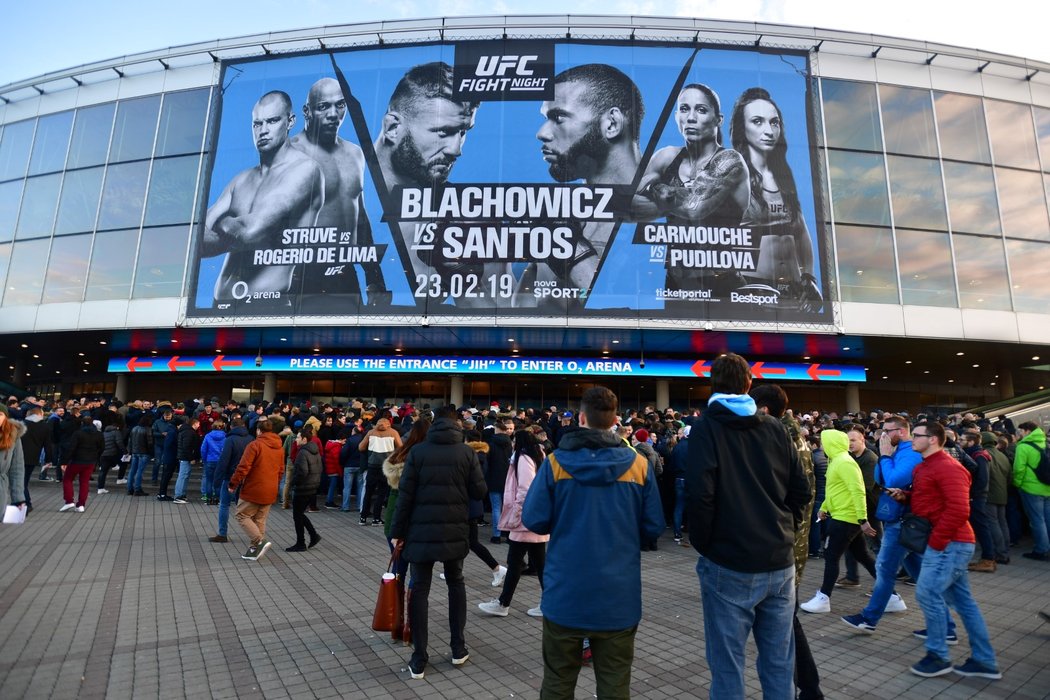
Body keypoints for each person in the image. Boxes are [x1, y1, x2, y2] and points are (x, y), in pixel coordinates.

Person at [521, 386, 663, 698]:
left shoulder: (556, 463)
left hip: (564, 595)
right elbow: (653, 526)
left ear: (581, 417)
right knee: (615, 686)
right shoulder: (639, 465)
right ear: (615, 421)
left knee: (557, 683)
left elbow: (533, 520)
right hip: (618, 598)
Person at [685, 353, 810, 699]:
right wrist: (785, 527)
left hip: (729, 562)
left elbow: (700, 494)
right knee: (779, 661)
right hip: (779, 561)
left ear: (712, 384)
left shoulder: (707, 426)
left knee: (727, 664)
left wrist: (706, 544)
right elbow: (802, 490)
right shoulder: (774, 428)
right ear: (749, 385)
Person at [373, 62, 509, 308]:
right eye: (443, 132)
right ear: (393, 128)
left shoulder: (471, 215)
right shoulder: (339, 191)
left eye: (463, 132)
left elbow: (499, 322)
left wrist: (463, 277)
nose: (456, 150)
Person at [514, 64, 644, 310]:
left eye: (558, 117)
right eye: (545, 119)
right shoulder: (558, 217)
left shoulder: (667, 214)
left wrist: (573, 252)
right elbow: (523, 317)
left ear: (612, 124)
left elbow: (636, 313)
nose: (541, 133)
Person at [889, 421, 1002, 680]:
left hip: (950, 543)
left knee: (928, 592)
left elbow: (960, 510)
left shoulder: (949, 467)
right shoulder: (925, 466)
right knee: (964, 602)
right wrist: (905, 496)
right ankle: (984, 660)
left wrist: (936, 542)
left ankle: (938, 655)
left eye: (916, 435)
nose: (911, 439)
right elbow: (930, 499)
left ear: (933, 439)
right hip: (948, 542)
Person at [201, 90, 324, 311]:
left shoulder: (305, 170)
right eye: (257, 124)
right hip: (220, 305)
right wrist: (231, 227)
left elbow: (250, 232)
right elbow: (196, 242)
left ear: (290, 121)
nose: (263, 130)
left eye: (273, 121)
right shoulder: (242, 179)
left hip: (268, 305)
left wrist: (224, 223)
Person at [389, 407, 487, 680]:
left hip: (420, 531)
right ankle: (458, 648)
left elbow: (405, 496)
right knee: (456, 582)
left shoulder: (418, 452)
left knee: (419, 588)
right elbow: (480, 491)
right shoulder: (466, 452)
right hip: (454, 529)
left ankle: (419, 657)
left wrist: (398, 532)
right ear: (456, 425)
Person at [634, 83, 750, 307]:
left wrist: (654, 189)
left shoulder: (729, 160)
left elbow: (693, 207)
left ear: (719, 119)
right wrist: (658, 194)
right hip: (676, 283)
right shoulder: (666, 156)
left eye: (701, 110)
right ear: (677, 115)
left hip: (721, 284)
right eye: (684, 109)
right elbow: (633, 202)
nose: (691, 117)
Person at [288, 77, 389, 311]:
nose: (334, 114)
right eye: (324, 106)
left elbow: (359, 217)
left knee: (352, 344)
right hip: (300, 274)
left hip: (344, 270)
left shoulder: (354, 154)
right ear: (307, 111)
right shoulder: (289, 152)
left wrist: (374, 277)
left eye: (340, 105)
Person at [728, 87, 820, 311]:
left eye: (774, 122)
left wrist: (809, 277)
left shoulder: (784, 176)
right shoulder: (734, 177)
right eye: (757, 121)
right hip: (752, 288)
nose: (768, 130)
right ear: (743, 128)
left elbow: (800, 230)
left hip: (794, 288)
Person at [799, 429, 878, 614]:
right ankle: (890, 594)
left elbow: (858, 491)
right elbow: (836, 490)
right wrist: (825, 507)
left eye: (825, 443)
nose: (823, 446)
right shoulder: (837, 460)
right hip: (844, 517)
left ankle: (823, 597)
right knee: (863, 556)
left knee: (831, 557)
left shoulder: (843, 462)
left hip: (845, 519)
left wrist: (862, 519)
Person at [478, 430, 549, 619]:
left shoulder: (523, 457)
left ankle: (503, 603)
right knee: (538, 564)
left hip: (524, 519)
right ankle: (548, 603)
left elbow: (525, 489)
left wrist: (517, 515)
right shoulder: (538, 455)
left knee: (516, 562)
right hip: (535, 518)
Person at [228, 418, 285, 561]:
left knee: (241, 515)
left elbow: (243, 467)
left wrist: (233, 484)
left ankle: (259, 541)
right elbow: (280, 470)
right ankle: (254, 549)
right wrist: (275, 484)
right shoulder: (279, 447)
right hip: (270, 488)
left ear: (259, 430)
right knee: (260, 519)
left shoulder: (255, 445)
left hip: (254, 488)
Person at [210, 417, 253, 543]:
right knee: (246, 507)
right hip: (246, 477)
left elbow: (223, 461)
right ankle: (254, 533)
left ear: (231, 427)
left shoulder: (230, 440)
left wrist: (216, 481)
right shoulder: (251, 439)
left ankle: (222, 533)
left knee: (224, 505)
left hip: (230, 477)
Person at [1012, 421, 1049, 561]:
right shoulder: (1045, 442)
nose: (1018, 434)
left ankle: (1041, 550)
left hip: (1031, 487)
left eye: (1020, 431)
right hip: (1047, 486)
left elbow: (1018, 469)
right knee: (1047, 518)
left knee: (1037, 520)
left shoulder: (1023, 446)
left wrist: (1018, 484)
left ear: (1027, 431)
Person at [358, 416, 402, 526]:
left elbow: (361, 448)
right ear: (389, 424)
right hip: (386, 466)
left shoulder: (371, 432)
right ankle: (376, 519)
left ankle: (363, 517)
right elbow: (401, 447)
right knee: (382, 493)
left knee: (368, 492)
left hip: (372, 465)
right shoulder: (393, 432)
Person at [286, 425, 322, 552]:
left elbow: (302, 472)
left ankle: (301, 543)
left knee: (297, 515)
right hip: (312, 486)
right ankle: (313, 535)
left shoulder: (303, 452)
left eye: (298, 438)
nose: (296, 440)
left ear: (305, 439)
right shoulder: (315, 450)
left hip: (303, 487)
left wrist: (293, 483)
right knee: (299, 514)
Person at [60, 416, 105, 512]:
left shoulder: (78, 433)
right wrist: (95, 457)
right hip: (90, 461)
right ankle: (81, 505)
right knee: (84, 482)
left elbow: (71, 448)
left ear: (82, 423)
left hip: (77, 460)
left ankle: (69, 501)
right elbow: (102, 448)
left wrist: (64, 461)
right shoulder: (99, 434)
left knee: (67, 479)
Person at [0, 404, 27, 517]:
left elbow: (17, 469)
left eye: (0, 414)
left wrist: (18, 498)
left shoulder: (13, 435)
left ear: (5, 416)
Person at [200, 419, 227, 505]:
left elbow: (203, 449)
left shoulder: (208, 436)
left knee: (209, 480)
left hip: (210, 460)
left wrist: (204, 459)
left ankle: (209, 499)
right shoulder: (225, 436)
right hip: (221, 461)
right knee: (219, 481)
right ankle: (218, 499)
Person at [126, 415, 152, 497]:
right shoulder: (147, 429)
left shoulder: (134, 428)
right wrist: (151, 452)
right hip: (144, 452)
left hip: (134, 452)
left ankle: (130, 489)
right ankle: (137, 489)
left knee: (132, 470)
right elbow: (150, 443)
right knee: (140, 471)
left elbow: (130, 441)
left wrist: (129, 451)